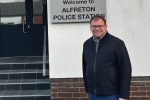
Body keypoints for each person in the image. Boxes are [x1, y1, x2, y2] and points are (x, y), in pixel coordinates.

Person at [82, 15, 132, 100]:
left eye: (100, 26)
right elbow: (85, 67)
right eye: (94, 26)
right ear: (90, 27)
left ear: (105, 27)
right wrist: (88, 88)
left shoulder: (117, 43)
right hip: (93, 94)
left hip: (112, 94)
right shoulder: (86, 44)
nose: (97, 29)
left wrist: (124, 96)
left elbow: (125, 70)